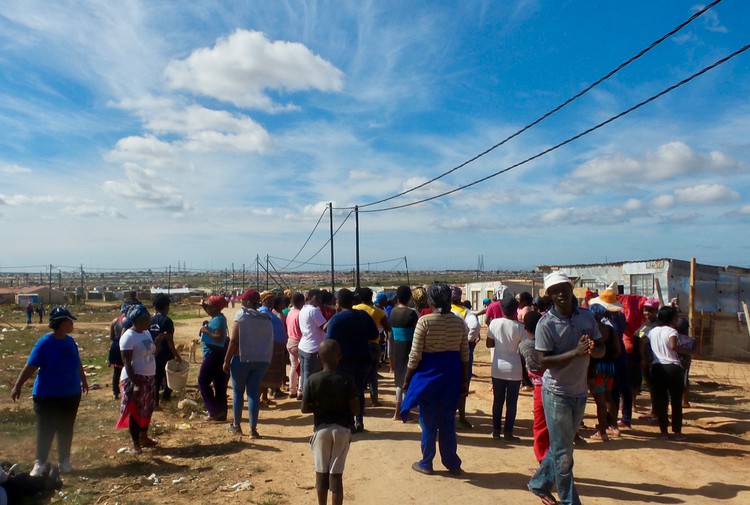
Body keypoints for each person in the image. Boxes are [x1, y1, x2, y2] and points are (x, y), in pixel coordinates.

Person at [528, 272, 603, 505]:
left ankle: (539, 483)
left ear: (572, 290)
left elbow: (601, 349)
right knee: (564, 454)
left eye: (564, 288)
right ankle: (571, 501)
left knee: (562, 446)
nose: (561, 293)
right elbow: (543, 361)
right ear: (549, 295)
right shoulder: (546, 324)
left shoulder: (587, 317)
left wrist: (593, 349)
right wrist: (575, 353)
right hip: (556, 393)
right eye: (555, 290)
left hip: (579, 391)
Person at [401, 282, 469, 476]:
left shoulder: (425, 322)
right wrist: (464, 380)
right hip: (452, 374)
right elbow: (464, 354)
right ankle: (452, 463)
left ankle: (426, 462)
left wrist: (407, 379)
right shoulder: (459, 322)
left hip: (429, 374)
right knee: (447, 420)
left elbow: (415, 356)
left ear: (430, 300)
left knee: (429, 420)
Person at [11, 307, 88, 475]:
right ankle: (40, 462)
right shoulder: (45, 343)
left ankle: (64, 461)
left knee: (66, 427)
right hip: (47, 395)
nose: (72, 324)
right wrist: (18, 385)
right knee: (46, 428)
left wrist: (83, 380)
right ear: (61, 323)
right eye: (69, 321)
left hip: (71, 393)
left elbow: (77, 362)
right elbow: (31, 366)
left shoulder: (70, 341)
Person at [301, 339, 359, 505]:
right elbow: (355, 410)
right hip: (342, 430)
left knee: (321, 473)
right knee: (336, 476)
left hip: (321, 430)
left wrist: (319, 405)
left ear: (318, 357)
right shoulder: (346, 379)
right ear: (339, 356)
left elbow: (304, 408)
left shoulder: (312, 379)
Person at [326, 288, 379, 433]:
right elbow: (374, 334)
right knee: (359, 390)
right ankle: (359, 420)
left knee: (345, 392)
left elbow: (329, 340)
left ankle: (349, 422)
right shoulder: (363, 315)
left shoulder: (337, 319)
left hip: (344, 361)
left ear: (339, 302)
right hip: (364, 358)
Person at [224, 289, 274, 439]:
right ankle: (253, 430)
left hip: (241, 359)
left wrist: (226, 360)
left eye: (243, 300)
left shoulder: (242, 315)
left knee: (238, 392)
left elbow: (233, 341)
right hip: (261, 360)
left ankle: (236, 425)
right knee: (253, 394)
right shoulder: (266, 318)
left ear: (249, 302)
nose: (241, 303)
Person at [115, 304, 159, 453]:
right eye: (147, 318)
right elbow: (126, 362)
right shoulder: (128, 336)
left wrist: (159, 342)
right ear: (139, 320)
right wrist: (135, 383)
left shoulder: (146, 333)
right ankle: (136, 443)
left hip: (149, 376)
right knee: (136, 411)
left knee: (148, 408)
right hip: (135, 377)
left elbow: (151, 353)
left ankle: (144, 436)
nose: (149, 320)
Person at [486, 296, 525, 441]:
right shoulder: (520, 328)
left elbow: (489, 344)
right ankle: (508, 433)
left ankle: (496, 431)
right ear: (516, 309)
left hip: (498, 368)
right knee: (511, 403)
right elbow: (523, 349)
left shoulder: (494, 323)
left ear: (502, 308)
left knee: (497, 401)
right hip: (514, 369)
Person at [648, 306, 686, 441]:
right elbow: (673, 346)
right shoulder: (671, 331)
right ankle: (677, 432)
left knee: (661, 401)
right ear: (671, 318)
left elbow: (643, 344)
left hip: (657, 367)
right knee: (676, 401)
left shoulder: (652, 332)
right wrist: (688, 350)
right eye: (675, 317)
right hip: (673, 367)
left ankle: (664, 431)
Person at [585, 303, 621, 441]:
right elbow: (618, 350)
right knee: (609, 398)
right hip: (609, 368)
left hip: (596, 369)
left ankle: (602, 432)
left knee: (599, 401)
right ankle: (614, 427)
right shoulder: (610, 330)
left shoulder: (591, 331)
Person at [518, 311, 549, 463]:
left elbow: (524, 370)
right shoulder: (550, 343)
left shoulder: (524, 346)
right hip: (557, 384)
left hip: (540, 388)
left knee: (540, 426)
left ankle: (543, 462)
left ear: (525, 328)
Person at [353, 288, 392, 407]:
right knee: (373, 374)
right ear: (371, 298)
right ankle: (374, 400)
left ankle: (358, 402)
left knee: (358, 374)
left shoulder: (354, 309)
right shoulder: (378, 312)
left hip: (358, 345)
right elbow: (388, 327)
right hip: (374, 345)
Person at [450, 286, 479, 430]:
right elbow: (474, 327)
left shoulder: (444, 311)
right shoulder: (467, 313)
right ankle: (461, 417)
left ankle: (447, 417)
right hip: (463, 353)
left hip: (447, 352)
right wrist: (466, 342)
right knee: (463, 383)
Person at [388, 286, 418, 420]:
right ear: (409, 297)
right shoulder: (411, 313)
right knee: (408, 380)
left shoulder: (393, 312)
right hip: (409, 346)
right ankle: (406, 411)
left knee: (398, 380)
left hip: (396, 347)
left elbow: (391, 332)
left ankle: (397, 412)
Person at [198, 296, 229, 422]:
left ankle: (215, 411)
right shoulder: (219, 317)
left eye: (210, 306)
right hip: (219, 354)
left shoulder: (218, 320)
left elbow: (219, 337)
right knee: (219, 384)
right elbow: (211, 310)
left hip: (213, 354)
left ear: (215, 308)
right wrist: (204, 305)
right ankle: (221, 412)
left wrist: (206, 330)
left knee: (203, 381)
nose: (208, 309)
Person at [149, 294, 181, 407]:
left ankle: (155, 401)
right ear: (166, 307)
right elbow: (170, 342)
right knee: (170, 377)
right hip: (166, 354)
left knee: (156, 378)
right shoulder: (167, 321)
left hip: (153, 353)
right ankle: (166, 398)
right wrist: (176, 355)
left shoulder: (150, 320)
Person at [259, 291, 288, 403]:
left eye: (272, 299)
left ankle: (265, 397)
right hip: (269, 347)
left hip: (275, 348)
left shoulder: (268, 312)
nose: (272, 302)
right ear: (264, 301)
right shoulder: (262, 313)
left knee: (269, 374)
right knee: (265, 374)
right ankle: (257, 400)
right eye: (269, 300)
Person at [298, 289, 328, 395]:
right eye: (317, 297)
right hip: (312, 348)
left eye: (320, 298)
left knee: (304, 374)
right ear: (310, 298)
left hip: (304, 345)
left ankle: (305, 396)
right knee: (311, 376)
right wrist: (324, 310)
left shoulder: (303, 309)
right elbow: (324, 327)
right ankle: (308, 399)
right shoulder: (313, 311)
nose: (319, 300)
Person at [286, 293, 305, 400]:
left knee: (293, 366)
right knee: (302, 368)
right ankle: (300, 391)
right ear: (301, 302)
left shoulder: (290, 312)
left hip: (290, 341)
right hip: (299, 342)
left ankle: (292, 390)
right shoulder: (300, 314)